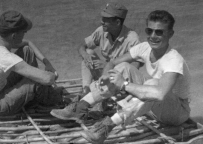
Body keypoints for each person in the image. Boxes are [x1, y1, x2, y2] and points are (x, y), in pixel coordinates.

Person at [50, 10, 191, 144]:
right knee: (124, 67)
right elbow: (112, 62)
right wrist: (105, 81)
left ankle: (107, 126)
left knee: (153, 83)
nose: (153, 36)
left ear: (170, 34)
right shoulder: (145, 47)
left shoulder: (173, 60)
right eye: (149, 31)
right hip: (154, 108)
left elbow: (160, 94)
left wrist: (123, 84)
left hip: (176, 113)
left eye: (159, 32)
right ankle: (81, 106)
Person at [0, 10, 58, 116]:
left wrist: (47, 63)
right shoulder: (5, 57)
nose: (25, 34)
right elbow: (48, 79)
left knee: (26, 50)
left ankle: (34, 94)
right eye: (23, 32)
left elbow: (28, 43)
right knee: (37, 80)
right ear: (14, 36)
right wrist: (53, 75)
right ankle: (52, 100)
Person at [78, 2, 140, 94]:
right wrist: (85, 55)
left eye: (105, 19)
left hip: (121, 77)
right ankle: (86, 90)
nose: (101, 21)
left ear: (117, 22)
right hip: (105, 72)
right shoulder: (101, 31)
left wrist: (112, 70)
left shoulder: (132, 38)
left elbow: (136, 65)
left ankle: (99, 91)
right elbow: (82, 46)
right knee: (89, 52)